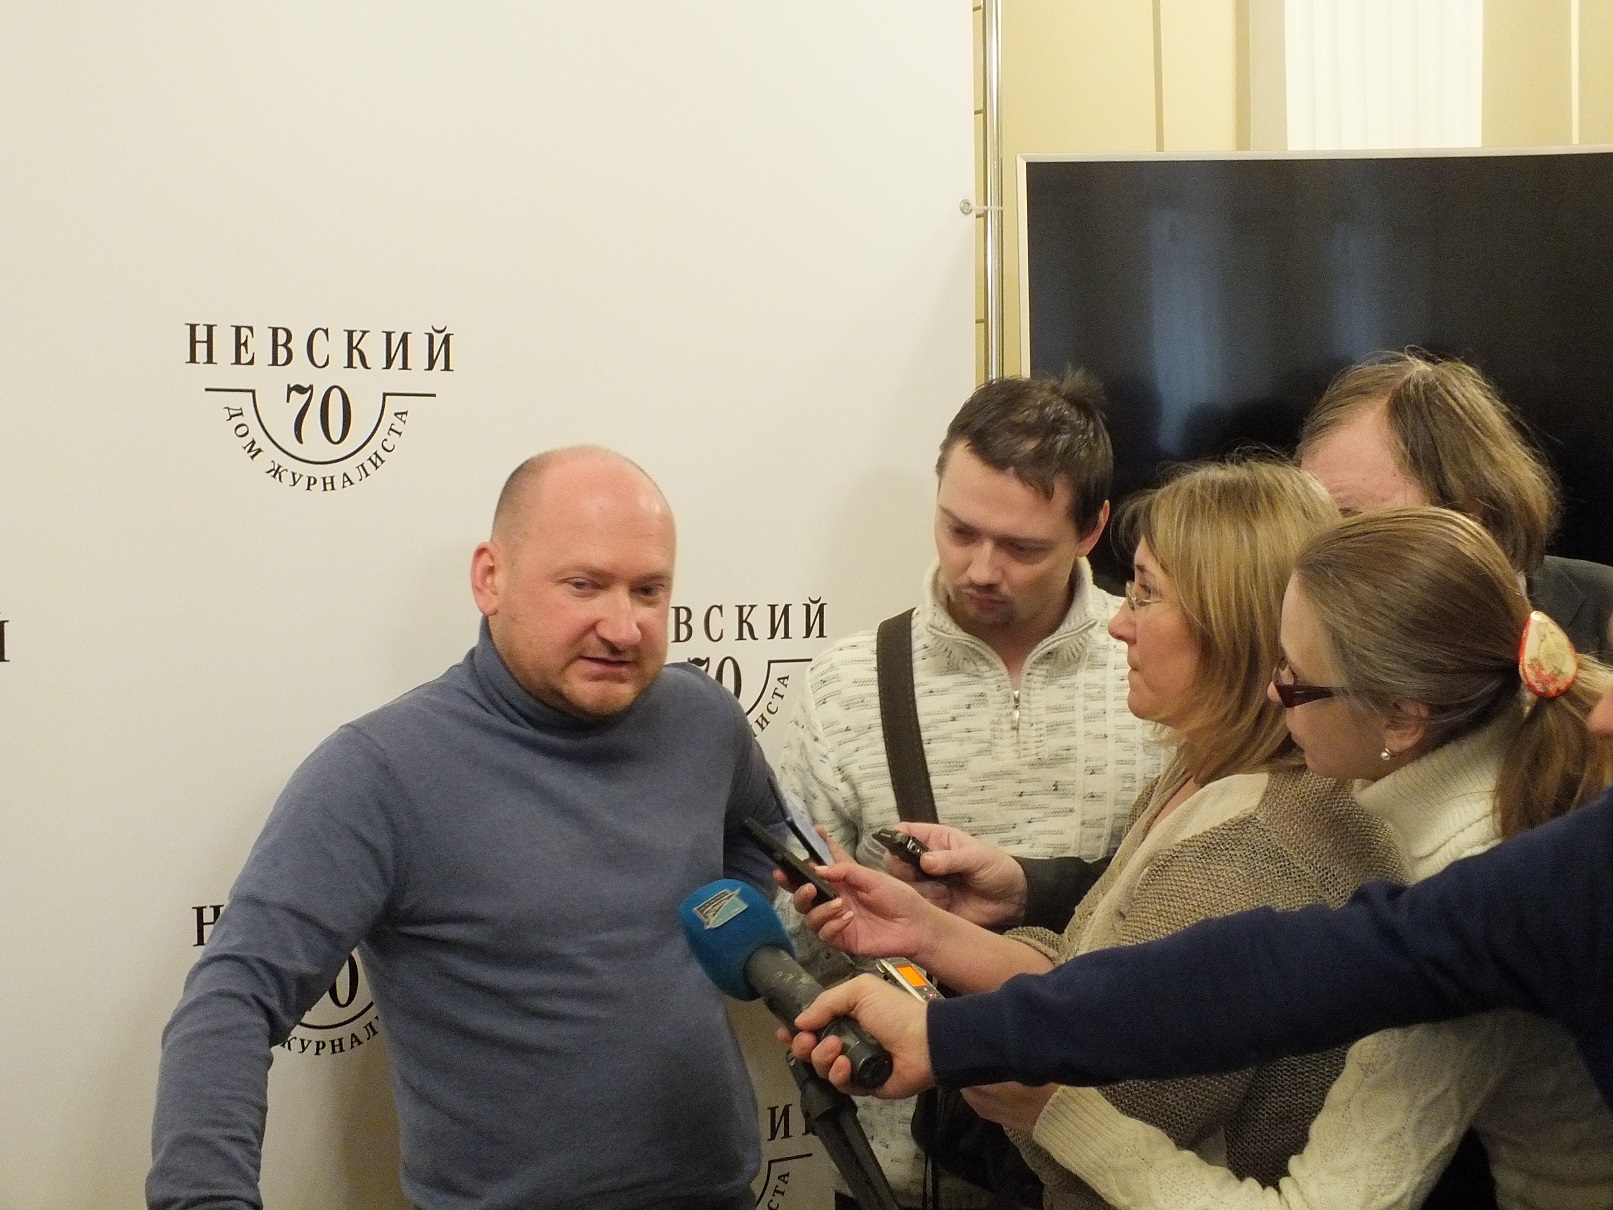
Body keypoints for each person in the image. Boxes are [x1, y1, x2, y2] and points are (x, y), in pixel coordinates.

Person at [795, 508, 1613, 1210]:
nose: (1271, 690)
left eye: (1295, 680)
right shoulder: (1476, 812)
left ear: (1401, 718)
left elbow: (1248, 1014)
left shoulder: (1467, 864)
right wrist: (950, 979)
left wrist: (1049, 1107)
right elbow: (1233, 975)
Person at [148, 447, 787, 1210]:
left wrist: (724, 941)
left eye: (648, 591)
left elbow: (767, 836)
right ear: (490, 578)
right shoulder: (379, 772)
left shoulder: (702, 718)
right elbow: (233, 999)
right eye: (583, 585)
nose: (622, 627)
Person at [776, 371, 1158, 1207]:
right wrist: (836, 921)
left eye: (1021, 548)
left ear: (1091, 528)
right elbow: (793, 947)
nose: (980, 569)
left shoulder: (1160, 662)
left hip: (1121, 1164)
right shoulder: (843, 686)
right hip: (906, 1172)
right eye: (958, 530)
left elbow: (1190, 914)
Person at [1298, 348, 1613, 659]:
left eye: (1353, 522)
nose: (1320, 554)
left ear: (1467, 510)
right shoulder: (1307, 646)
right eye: (1313, 521)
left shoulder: (1604, 611)